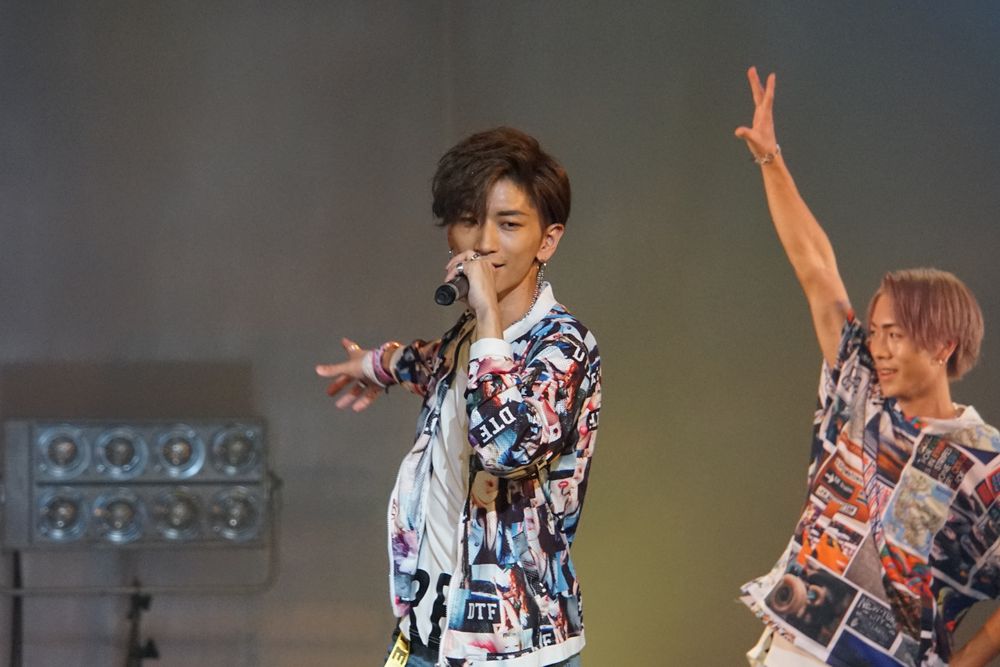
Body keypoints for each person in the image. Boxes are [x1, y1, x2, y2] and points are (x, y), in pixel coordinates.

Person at [735, 66, 1000, 667]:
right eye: (874, 332)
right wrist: (771, 160)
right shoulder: (859, 387)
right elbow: (816, 268)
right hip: (797, 646)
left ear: (942, 345)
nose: (876, 347)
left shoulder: (986, 461)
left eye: (894, 335)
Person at [316, 127, 601, 667]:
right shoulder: (467, 339)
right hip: (432, 629)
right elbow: (433, 364)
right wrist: (378, 365)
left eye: (509, 224)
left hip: (517, 646)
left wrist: (488, 313)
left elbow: (507, 446)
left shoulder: (564, 346)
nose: (484, 242)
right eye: (469, 220)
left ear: (547, 240)